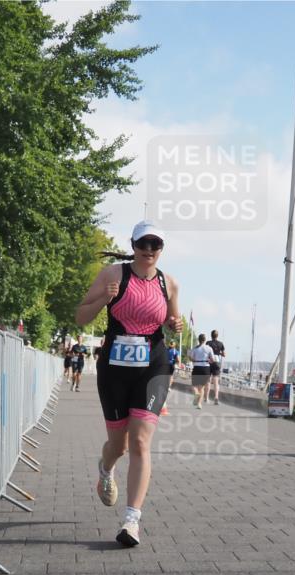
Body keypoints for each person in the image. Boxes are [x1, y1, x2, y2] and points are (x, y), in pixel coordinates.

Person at [75, 221, 181, 547]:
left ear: (161, 248)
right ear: (133, 244)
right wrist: (101, 302)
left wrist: (176, 324)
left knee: (140, 443)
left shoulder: (169, 284)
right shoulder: (113, 275)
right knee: (119, 446)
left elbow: (174, 326)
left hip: (154, 364)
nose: (149, 250)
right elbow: (80, 317)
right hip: (115, 367)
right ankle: (106, 469)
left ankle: (131, 521)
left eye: (156, 245)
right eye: (143, 244)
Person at [188, 333, 215, 409]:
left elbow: (191, 358)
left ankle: (196, 393)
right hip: (206, 368)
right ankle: (199, 404)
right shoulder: (209, 348)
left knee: (194, 386)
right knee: (202, 388)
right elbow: (212, 360)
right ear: (205, 340)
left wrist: (192, 359)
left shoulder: (195, 348)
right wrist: (209, 360)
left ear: (198, 340)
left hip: (197, 367)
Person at [161, 339, 180, 416]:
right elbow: (178, 359)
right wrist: (177, 363)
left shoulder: (166, 350)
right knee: (171, 376)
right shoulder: (175, 351)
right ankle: (169, 386)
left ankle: (166, 385)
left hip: (165, 364)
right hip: (171, 364)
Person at [207, 329, 225, 404]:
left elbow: (207, 352)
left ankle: (206, 398)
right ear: (217, 336)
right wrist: (219, 353)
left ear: (211, 335)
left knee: (208, 380)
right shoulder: (221, 344)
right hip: (217, 361)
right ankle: (216, 397)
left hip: (209, 361)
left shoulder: (208, 343)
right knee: (216, 381)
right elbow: (224, 354)